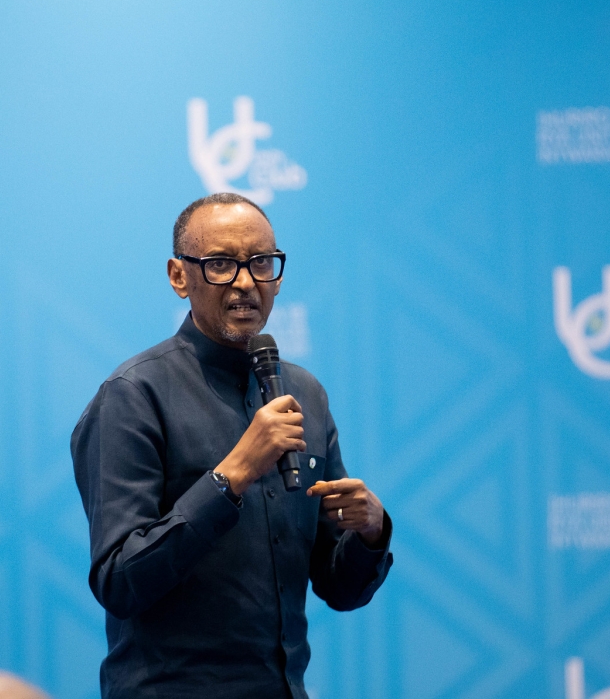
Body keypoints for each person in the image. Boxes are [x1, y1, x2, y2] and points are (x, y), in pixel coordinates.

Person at [71, 192, 394, 699]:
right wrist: (229, 478)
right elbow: (119, 581)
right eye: (221, 264)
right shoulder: (133, 397)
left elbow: (339, 588)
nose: (245, 283)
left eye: (261, 263)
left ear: (278, 276)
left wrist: (372, 532)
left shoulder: (305, 393)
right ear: (180, 276)